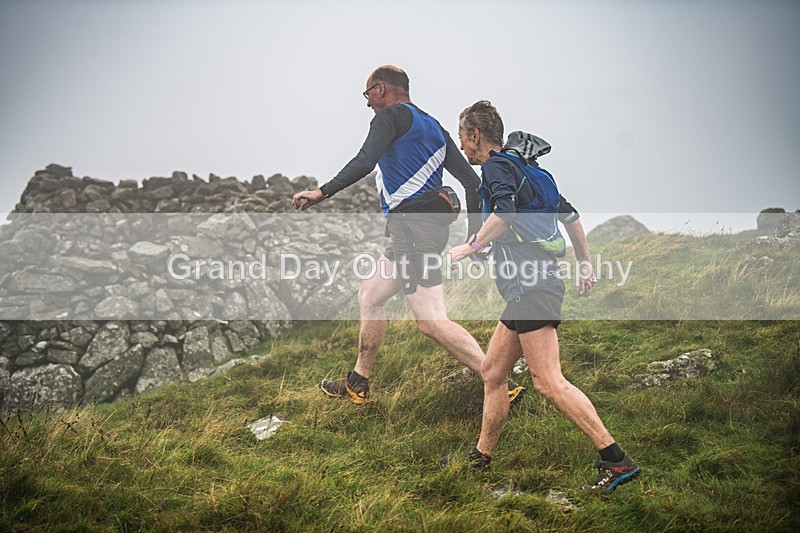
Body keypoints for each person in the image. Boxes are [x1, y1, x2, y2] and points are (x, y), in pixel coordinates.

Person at [292, 67, 525, 406]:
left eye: (367, 94)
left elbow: (365, 160)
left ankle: (500, 382)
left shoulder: (390, 117)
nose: (367, 102)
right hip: (420, 228)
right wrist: (474, 237)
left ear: (381, 89)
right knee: (370, 296)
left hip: (412, 229)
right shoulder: (434, 127)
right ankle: (359, 381)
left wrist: (322, 192)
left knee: (431, 321)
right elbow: (473, 184)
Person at [444, 100, 640, 493]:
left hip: (533, 287)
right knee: (493, 372)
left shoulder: (498, 167)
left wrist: (470, 246)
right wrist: (584, 264)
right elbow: (571, 217)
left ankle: (615, 460)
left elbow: (504, 214)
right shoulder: (533, 172)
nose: (462, 146)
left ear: (474, 134)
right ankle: (481, 458)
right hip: (525, 290)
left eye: (462, 136)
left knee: (549, 382)